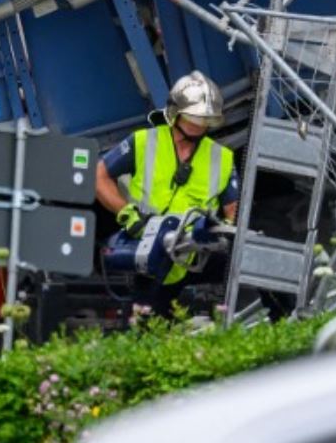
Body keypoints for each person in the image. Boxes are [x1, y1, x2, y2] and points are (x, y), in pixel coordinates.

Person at [95, 71, 239, 286]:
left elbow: (233, 210)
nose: (199, 124)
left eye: (205, 119)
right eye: (194, 118)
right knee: (147, 315)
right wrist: (127, 214)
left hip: (192, 257)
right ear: (175, 112)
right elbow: (100, 176)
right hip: (143, 248)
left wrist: (219, 236)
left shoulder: (223, 158)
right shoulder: (143, 141)